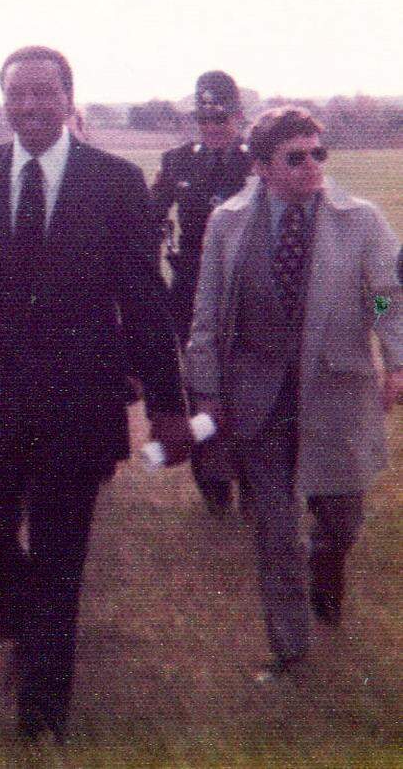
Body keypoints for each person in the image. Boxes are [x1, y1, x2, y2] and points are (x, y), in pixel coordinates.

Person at [0, 45, 191, 742]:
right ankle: (28, 632)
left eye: (44, 93)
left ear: (70, 99)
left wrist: (167, 404)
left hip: (78, 402)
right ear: (3, 101)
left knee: (62, 555)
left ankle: (42, 723)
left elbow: (145, 299)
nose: (31, 107)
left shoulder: (116, 180)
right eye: (18, 95)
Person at [185, 106, 403, 681]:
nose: (312, 166)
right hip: (258, 401)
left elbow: (386, 295)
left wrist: (395, 358)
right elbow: (205, 314)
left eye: (318, 154)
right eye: (296, 157)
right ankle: (289, 649)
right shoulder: (227, 223)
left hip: (336, 392)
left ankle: (326, 559)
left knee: (341, 521)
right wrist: (207, 390)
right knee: (275, 530)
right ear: (259, 166)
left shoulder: (362, 220)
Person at [151, 70, 254, 517]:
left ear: (239, 117)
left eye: (221, 118)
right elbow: (150, 220)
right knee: (199, 385)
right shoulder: (177, 162)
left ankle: (254, 475)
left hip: (247, 292)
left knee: (250, 385)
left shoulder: (257, 161)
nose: (212, 127)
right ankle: (211, 475)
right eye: (204, 119)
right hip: (190, 290)